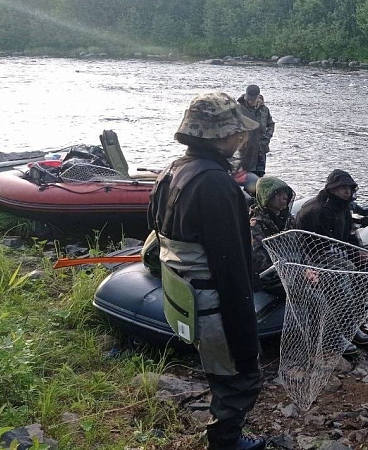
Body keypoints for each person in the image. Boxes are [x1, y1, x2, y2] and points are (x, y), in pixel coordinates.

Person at [148, 92, 266, 450]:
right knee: (242, 375)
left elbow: (154, 232)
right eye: (237, 132)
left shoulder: (172, 169)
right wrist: (245, 323)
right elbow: (232, 266)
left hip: (184, 293)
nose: (242, 138)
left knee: (220, 367)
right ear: (218, 136)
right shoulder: (216, 183)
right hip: (213, 300)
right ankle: (225, 441)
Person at [294, 169, 368, 355]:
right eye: (342, 188)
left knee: (364, 262)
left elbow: (349, 236)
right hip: (315, 257)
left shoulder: (344, 208)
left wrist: (359, 251)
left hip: (336, 252)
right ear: (332, 189)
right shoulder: (313, 211)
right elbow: (303, 245)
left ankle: (351, 321)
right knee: (344, 273)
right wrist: (308, 268)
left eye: (349, 188)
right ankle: (336, 331)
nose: (347, 192)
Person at [250, 176, 296, 297]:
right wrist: (297, 274)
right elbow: (261, 262)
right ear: (267, 196)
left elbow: (299, 247)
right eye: (279, 193)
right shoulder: (255, 225)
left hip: (293, 270)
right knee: (308, 292)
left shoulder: (288, 219)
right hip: (270, 278)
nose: (285, 197)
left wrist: (307, 269)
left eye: (285, 193)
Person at [237, 85, 275, 177]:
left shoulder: (264, 110)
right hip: (245, 152)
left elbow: (271, 125)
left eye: (252, 99)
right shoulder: (239, 109)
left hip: (261, 150)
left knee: (259, 178)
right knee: (243, 178)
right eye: (249, 98)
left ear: (258, 96)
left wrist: (266, 139)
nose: (250, 101)